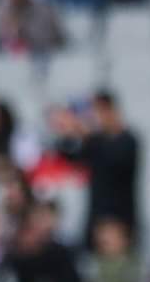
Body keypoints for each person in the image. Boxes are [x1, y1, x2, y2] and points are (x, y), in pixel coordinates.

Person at [52, 90, 140, 249]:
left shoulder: (129, 140)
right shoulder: (95, 141)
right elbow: (69, 157)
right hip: (96, 216)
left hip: (120, 218)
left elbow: (116, 161)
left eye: (98, 111)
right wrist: (66, 132)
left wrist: (85, 133)